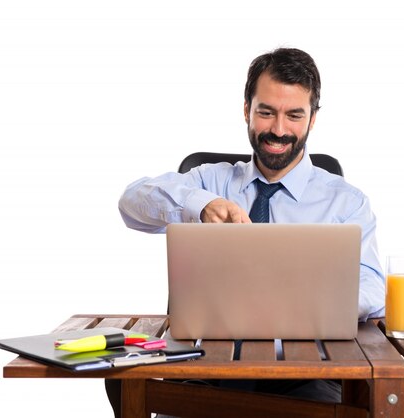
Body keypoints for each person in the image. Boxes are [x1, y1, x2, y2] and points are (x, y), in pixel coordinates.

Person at [111, 47, 385, 416]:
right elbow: (132, 202)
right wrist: (199, 204)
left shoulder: (346, 203)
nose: (278, 129)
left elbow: (373, 288)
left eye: (294, 115)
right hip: (206, 371)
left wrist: (305, 303)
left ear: (312, 119)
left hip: (306, 376)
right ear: (246, 110)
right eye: (266, 112)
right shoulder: (210, 179)